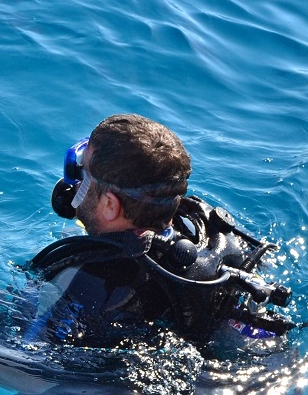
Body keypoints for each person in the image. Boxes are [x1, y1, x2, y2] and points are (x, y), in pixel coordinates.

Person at [24, 114, 293, 351]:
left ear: (109, 206)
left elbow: (31, 356)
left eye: (84, 169)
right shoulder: (204, 228)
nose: (75, 179)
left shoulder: (87, 280)